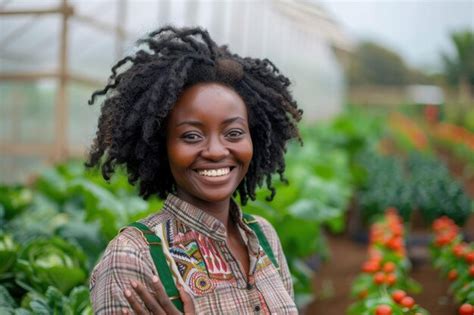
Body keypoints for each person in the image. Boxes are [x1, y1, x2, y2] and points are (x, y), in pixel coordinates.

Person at [86, 25, 302, 314]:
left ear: (255, 138)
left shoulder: (263, 237)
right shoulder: (133, 257)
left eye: (234, 133)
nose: (215, 151)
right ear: (161, 146)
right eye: (191, 136)